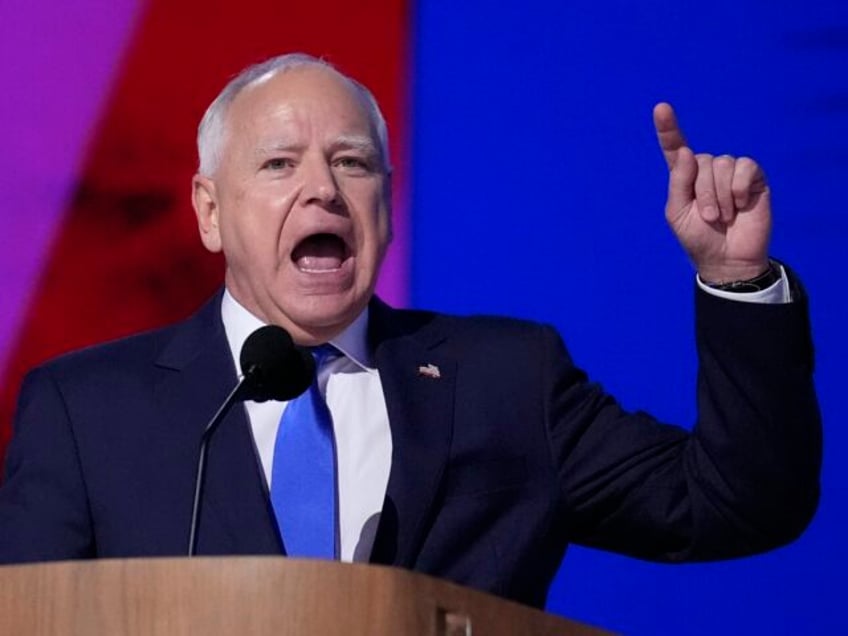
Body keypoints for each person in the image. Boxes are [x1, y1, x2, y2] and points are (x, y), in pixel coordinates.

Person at [0, 53, 821, 609]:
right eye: (280, 164)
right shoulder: (84, 412)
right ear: (210, 212)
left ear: (386, 205)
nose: (322, 189)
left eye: (352, 163)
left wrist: (737, 280)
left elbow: (737, 505)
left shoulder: (508, 379)